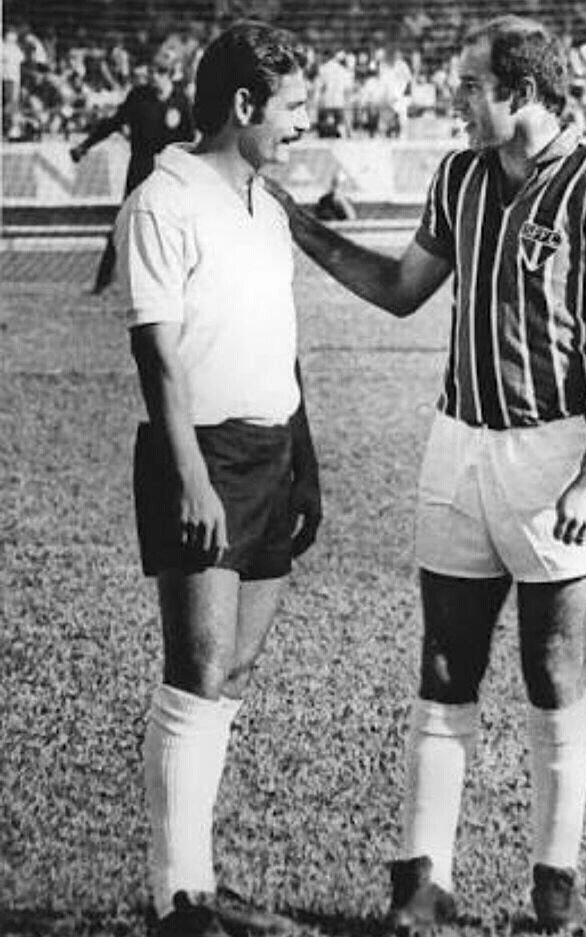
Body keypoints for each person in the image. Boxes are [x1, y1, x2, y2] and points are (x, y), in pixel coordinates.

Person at [264, 14, 586, 933]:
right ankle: (421, 884)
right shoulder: (460, 177)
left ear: (521, 90)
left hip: (555, 451)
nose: (456, 102)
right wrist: (298, 228)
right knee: (444, 661)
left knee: (550, 667)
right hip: (457, 440)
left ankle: (553, 893)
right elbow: (403, 290)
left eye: (471, 86)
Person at [113, 21, 320, 937]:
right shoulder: (164, 198)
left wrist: (304, 458)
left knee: (232, 667)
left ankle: (198, 879)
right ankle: (176, 898)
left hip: (272, 454)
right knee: (196, 667)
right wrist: (192, 478)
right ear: (243, 106)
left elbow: (283, 344)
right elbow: (157, 357)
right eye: (294, 109)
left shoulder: (267, 207)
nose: (303, 127)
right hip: (197, 454)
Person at [71, 51, 194, 294]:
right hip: (141, 167)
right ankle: (102, 283)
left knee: (176, 226)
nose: (152, 78)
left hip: (170, 172)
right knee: (124, 223)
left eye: (158, 73)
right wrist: (84, 145)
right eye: (151, 73)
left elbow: (189, 140)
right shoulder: (139, 97)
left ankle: (182, 282)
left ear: (169, 75)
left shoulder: (180, 102)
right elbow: (113, 123)